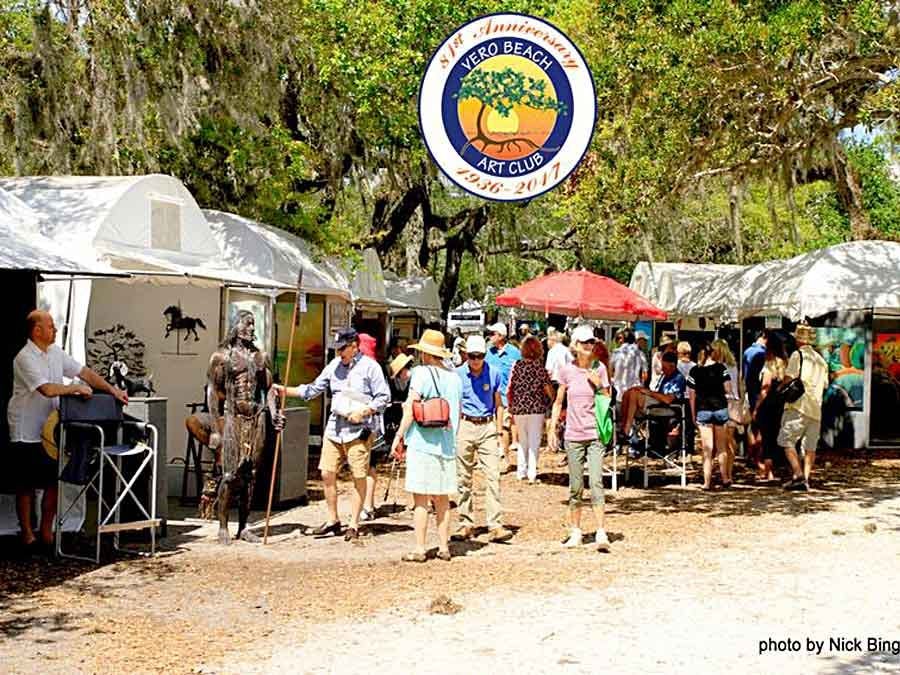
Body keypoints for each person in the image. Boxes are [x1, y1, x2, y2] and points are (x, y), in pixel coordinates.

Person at [8, 310, 129, 550]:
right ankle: (28, 534)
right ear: (37, 331)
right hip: (26, 427)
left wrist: (113, 391)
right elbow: (47, 390)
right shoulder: (24, 357)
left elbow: (84, 373)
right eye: (50, 326)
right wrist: (74, 389)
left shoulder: (55, 352)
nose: (54, 329)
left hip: (51, 427)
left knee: (52, 482)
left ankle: (47, 532)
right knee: (26, 485)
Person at [275, 328, 390, 541]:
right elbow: (312, 390)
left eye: (343, 348)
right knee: (327, 473)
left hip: (359, 430)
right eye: (337, 349)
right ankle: (332, 519)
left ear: (354, 346)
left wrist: (365, 411)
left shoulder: (371, 368)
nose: (339, 353)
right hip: (335, 427)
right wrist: (283, 390)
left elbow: (384, 397)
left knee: (358, 475)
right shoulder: (334, 366)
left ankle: (354, 523)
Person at [207, 310, 283, 544]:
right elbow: (212, 392)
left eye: (253, 324)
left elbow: (269, 388)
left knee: (251, 475)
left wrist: (274, 413)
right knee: (230, 475)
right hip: (233, 418)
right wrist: (215, 428)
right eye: (247, 324)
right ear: (235, 326)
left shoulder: (261, 357)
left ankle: (244, 526)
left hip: (256, 417)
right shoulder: (221, 357)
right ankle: (222, 527)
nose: (251, 328)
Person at [391, 330, 461, 562]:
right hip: (447, 444)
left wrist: (399, 435)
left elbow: (411, 407)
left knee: (420, 498)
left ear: (426, 354)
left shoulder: (420, 373)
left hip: (422, 442)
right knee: (442, 498)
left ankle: (420, 548)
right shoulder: (455, 378)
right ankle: (443, 546)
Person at [549, 325, 612, 552]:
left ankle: (600, 531)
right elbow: (558, 401)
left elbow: (608, 398)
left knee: (595, 482)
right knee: (575, 486)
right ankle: (575, 531)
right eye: (584, 342)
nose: (589, 346)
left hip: (595, 433)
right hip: (573, 435)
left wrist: (598, 385)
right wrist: (552, 428)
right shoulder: (566, 371)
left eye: (591, 342)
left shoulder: (600, 369)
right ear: (575, 346)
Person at [454, 334, 513, 542]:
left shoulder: (494, 373)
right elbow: (455, 403)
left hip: (487, 426)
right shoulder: (457, 375)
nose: (476, 360)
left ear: (485, 355)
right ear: (466, 355)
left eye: (479, 356)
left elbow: (499, 404)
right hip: (465, 425)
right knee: (463, 476)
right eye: (472, 356)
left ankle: (495, 524)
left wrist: (499, 432)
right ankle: (465, 522)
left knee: (493, 475)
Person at [780, 323, 829, 491]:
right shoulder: (821, 360)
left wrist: (780, 388)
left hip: (798, 405)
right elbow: (824, 385)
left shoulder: (797, 355)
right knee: (809, 447)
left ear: (798, 340)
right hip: (816, 408)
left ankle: (798, 474)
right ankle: (805, 480)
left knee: (787, 441)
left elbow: (789, 378)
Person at [687, 340, 735, 490]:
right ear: (712, 353)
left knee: (707, 448)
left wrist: (693, 414)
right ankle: (725, 477)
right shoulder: (721, 368)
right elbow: (728, 389)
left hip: (703, 410)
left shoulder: (694, 371)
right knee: (722, 447)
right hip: (720, 409)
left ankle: (707, 482)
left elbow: (692, 396)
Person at [507, 336, 553, 483]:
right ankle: (532, 472)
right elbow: (547, 388)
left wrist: (511, 404)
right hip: (536, 407)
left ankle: (521, 471)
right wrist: (553, 399)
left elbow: (510, 387)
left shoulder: (517, 365)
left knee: (522, 440)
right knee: (534, 440)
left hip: (519, 407)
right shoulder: (539, 367)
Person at [620, 351, 686, 436]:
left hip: (668, 407)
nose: (662, 370)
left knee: (634, 394)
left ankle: (627, 430)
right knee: (629, 392)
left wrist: (649, 392)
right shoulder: (665, 376)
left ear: (672, 366)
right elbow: (658, 394)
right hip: (658, 403)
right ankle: (623, 426)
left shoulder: (678, 378)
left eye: (664, 368)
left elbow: (668, 399)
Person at [486, 322, 521, 469]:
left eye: (492, 333)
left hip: (506, 398)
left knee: (504, 427)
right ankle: (493, 457)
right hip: (489, 398)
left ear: (501, 336)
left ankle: (505, 459)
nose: (489, 336)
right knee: (491, 429)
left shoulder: (515, 353)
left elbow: (520, 376)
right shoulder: (489, 353)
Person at [753, 331, 787, 481]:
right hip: (781, 404)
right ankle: (775, 469)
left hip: (768, 406)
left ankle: (768, 471)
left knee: (766, 439)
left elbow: (765, 387)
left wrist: (756, 407)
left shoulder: (770, 364)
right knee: (776, 438)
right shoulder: (785, 363)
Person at [609, 328, 647, 406]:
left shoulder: (616, 353)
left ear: (623, 339)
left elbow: (609, 372)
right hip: (635, 392)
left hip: (619, 392)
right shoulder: (640, 354)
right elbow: (645, 375)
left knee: (620, 417)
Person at [742, 332, 768, 412]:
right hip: (759, 393)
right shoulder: (762, 353)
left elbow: (743, 373)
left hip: (750, 391)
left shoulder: (747, 351)